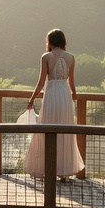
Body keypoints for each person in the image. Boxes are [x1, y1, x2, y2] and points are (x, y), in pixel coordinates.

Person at [24, 28, 85, 179]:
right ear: (63, 41)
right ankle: (63, 172)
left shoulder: (46, 57)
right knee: (65, 130)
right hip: (65, 96)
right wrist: (74, 96)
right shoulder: (71, 57)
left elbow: (40, 82)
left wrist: (31, 99)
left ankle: (48, 167)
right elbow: (72, 80)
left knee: (47, 129)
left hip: (51, 96)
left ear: (50, 41)